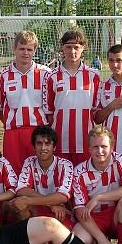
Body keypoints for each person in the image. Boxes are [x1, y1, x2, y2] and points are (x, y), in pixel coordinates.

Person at [71, 126, 122, 244]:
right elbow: (80, 211)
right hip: (93, 218)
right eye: (95, 147)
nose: (100, 151)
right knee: (79, 240)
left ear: (112, 147)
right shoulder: (79, 171)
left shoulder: (120, 160)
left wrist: (99, 197)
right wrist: (101, 239)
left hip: (116, 215)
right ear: (89, 149)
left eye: (104, 146)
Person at [43, 29, 100, 166]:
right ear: (62, 48)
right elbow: (49, 113)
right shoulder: (51, 76)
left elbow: (96, 111)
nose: (72, 51)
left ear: (83, 48)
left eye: (76, 47)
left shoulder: (94, 76)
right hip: (61, 140)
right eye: (68, 47)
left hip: (86, 139)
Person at [0, 30, 50, 175]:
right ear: (14, 49)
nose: (25, 53)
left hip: (38, 132)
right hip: (13, 133)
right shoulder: (4, 74)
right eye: (22, 49)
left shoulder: (45, 73)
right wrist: (11, 121)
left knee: (39, 173)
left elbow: (51, 105)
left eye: (29, 49)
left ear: (34, 51)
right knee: (14, 175)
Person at [12, 126, 74, 230]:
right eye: (39, 143)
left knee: (59, 238)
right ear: (34, 146)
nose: (43, 148)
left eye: (47, 143)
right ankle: (27, 239)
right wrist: (50, 204)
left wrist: (29, 200)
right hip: (44, 208)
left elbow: (62, 197)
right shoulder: (29, 161)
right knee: (20, 204)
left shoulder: (65, 164)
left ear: (54, 147)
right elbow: (21, 189)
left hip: (61, 212)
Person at [94, 44, 122, 169]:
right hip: (109, 146)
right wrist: (112, 106)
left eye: (119, 60)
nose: (114, 65)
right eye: (111, 60)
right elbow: (97, 119)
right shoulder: (103, 86)